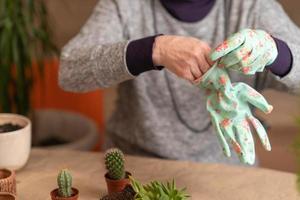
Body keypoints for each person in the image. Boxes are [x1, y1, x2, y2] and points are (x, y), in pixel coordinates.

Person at [59, 0, 300, 164]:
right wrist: (153, 50)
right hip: (137, 164)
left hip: (226, 166)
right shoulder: (126, 6)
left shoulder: (252, 7)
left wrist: (276, 52)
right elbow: (69, 71)